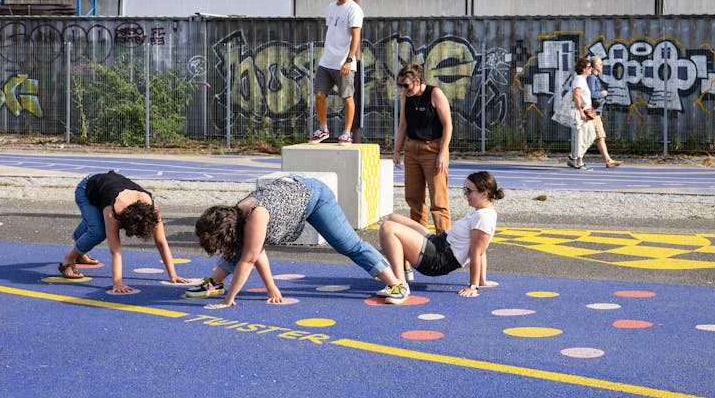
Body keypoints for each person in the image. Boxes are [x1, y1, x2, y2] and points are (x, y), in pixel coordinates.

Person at [191, 175, 410, 306]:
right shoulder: (238, 213)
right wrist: (272, 288)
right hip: (293, 192)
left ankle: (397, 284)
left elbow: (248, 261)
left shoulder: (255, 215)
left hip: (315, 196)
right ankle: (215, 282)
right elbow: (255, 251)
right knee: (245, 245)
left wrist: (229, 300)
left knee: (348, 244)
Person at [56, 171, 189, 293]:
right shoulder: (113, 210)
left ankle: (81, 248)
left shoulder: (152, 209)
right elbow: (116, 251)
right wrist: (117, 283)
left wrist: (173, 275)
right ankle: (69, 259)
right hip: (86, 189)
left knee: (95, 222)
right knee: (98, 231)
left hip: (105, 188)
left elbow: (161, 242)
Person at [378, 171, 503, 298]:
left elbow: (477, 252)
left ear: (484, 194)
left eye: (469, 191)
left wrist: (473, 286)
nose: (466, 194)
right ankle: (405, 270)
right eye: (465, 189)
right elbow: (482, 248)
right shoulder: (480, 211)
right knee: (394, 218)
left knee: (388, 228)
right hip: (439, 242)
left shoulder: (483, 217)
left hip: (439, 259)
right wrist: (482, 280)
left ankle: (400, 285)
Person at [393, 63, 453, 237]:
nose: (403, 90)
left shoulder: (435, 94)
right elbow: (403, 124)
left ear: (417, 82)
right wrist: (397, 151)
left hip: (433, 148)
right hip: (412, 149)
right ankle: (420, 238)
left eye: (406, 86)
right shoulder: (406, 97)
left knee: (438, 199)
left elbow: (448, 125)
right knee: (413, 198)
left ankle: (444, 240)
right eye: (400, 86)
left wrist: (442, 152)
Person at [310, 0, 363, 146]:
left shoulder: (354, 9)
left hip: (344, 63)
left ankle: (346, 132)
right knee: (319, 94)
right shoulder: (331, 8)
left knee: (347, 97)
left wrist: (349, 60)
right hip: (326, 61)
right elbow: (332, 32)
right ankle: (323, 128)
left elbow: (356, 36)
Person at [586, 56, 622, 168]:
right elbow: (591, 94)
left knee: (600, 137)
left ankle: (608, 160)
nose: (602, 66)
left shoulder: (595, 78)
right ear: (594, 66)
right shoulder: (591, 78)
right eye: (600, 64)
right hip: (592, 113)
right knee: (588, 138)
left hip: (596, 113)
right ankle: (572, 157)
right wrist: (603, 93)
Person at [565, 57, 596, 171]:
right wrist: (581, 111)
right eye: (588, 67)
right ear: (583, 69)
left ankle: (572, 157)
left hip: (587, 112)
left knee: (590, 135)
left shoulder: (583, 80)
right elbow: (576, 95)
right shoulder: (578, 80)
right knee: (580, 137)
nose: (591, 69)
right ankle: (579, 162)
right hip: (581, 112)